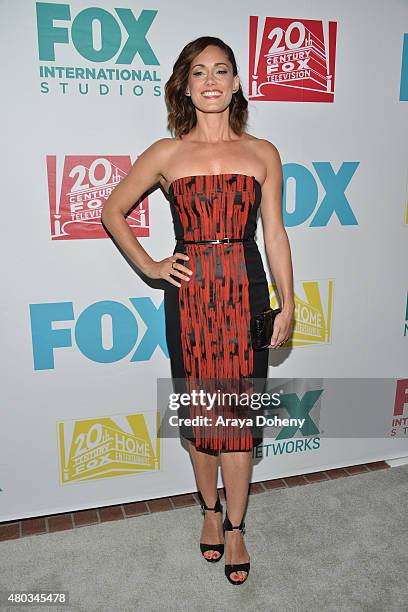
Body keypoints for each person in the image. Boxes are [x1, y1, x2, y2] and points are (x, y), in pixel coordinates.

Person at [101, 36, 295, 586]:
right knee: (202, 416)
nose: (211, 81)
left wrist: (287, 300)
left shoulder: (263, 153)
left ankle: (235, 525)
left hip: (246, 291)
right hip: (190, 299)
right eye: (199, 72)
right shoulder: (167, 154)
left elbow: (275, 234)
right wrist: (150, 265)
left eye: (222, 70)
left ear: (236, 83)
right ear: (185, 86)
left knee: (237, 420)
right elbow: (113, 209)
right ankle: (208, 510)